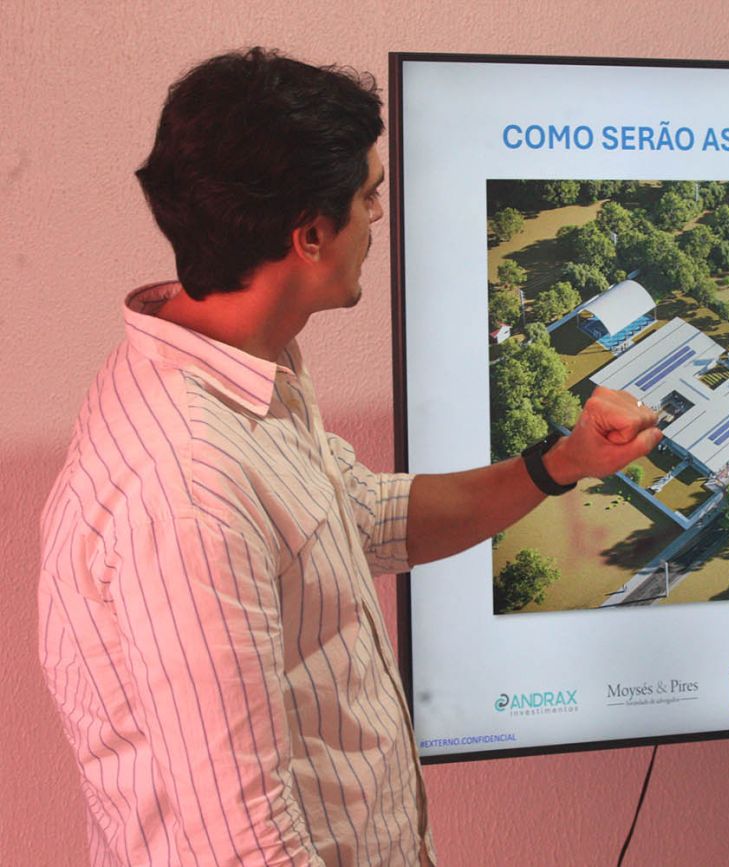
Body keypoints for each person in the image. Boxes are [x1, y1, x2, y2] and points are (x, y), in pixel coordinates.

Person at [36, 49, 662, 867]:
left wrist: (562, 462)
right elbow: (242, 844)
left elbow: (363, 518)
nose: (377, 217)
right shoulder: (190, 485)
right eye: (369, 196)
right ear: (310, 235)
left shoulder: (246, 373)